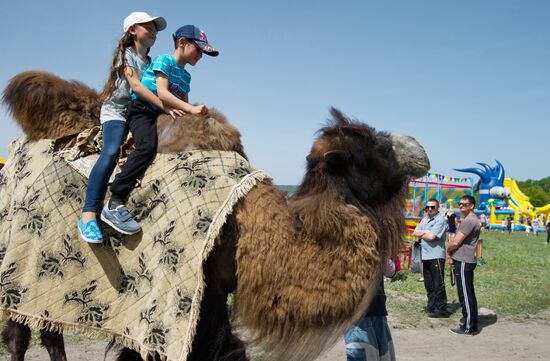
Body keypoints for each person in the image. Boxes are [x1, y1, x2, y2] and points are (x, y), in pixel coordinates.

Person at [101, 24, 219, 235]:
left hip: (161, 115)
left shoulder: (186, 77)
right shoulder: (165, 61)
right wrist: (190, 108)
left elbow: (183, 102)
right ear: (182, 43)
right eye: (199, 49)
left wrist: (194, 115)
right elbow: (163, 94)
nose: (201, 56)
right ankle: (115, 200)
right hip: (143, 110)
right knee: (147, 146)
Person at [77, 12, 182, 243]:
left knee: (155, 145)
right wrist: (164, 107)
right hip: (118, 112)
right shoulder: (125, 56)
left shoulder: (152, 62)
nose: (154, 32)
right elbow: (136, 86)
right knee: (112, 151)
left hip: (141, 112)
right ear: (133, 30)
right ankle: (88, 215)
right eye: (148, 28)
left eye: (155, 29)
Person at [344, 259, 396, 361]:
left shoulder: (377, 248)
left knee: (384, 355)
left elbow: (390, 271)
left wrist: (385, 258)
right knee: (363, 354)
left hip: (378, 309)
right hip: (356, 314)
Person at [447, 195, 480, 335]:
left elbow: (455, 242)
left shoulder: (469, 220)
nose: (461, 206)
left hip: (464, 260)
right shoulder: (471, 219)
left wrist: (448, 250)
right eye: (460, 204)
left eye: (464, 204)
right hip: (465, 259)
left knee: (465, 294)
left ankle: (468, 327)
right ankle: (471, 323)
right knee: (468, 293)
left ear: (471, 206)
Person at [413, 199, 449, 318]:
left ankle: (441, 308)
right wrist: (425, 232)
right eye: (427, 207)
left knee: (438, 283)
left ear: (438, 208)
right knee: (428, 284)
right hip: (426, 255)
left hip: (436, 255)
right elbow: (415, 232)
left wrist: (423, 233)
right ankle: (431, 306)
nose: (429, 209)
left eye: (432, 207)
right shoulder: (425, 219)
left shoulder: (441, 221)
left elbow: (432, 236)